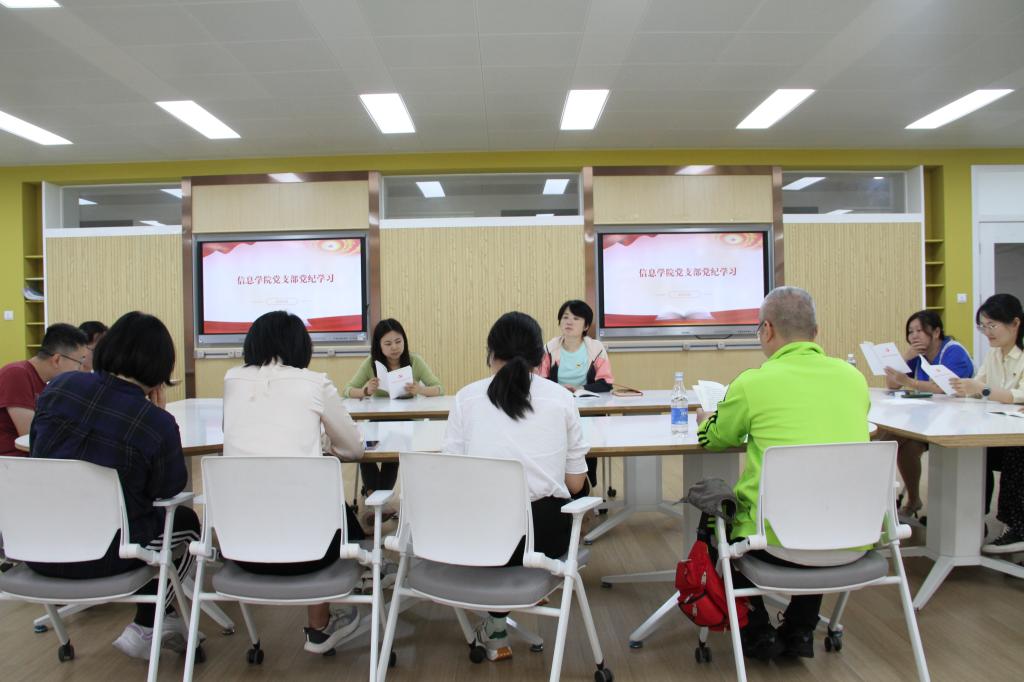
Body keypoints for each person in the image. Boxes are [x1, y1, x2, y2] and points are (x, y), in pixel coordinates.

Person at [696, 287, 870, 661]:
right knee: (821, 501)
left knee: (718, 520)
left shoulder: (753, 383)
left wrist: (706, 420)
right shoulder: (854, 379)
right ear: (816, 332)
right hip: (856, 536)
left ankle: (756, 629)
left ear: (767, 330)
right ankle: (800, 627)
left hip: (774, 542)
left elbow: (715, 439)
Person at [27, 312, 200, 661]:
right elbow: (169, 488)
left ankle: (161, 621)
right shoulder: (155, 423)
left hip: (36, 548)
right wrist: (160, 419)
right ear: (160, 369)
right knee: (185, 523)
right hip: (106, 557)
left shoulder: (59, 389)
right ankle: (148, 625)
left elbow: (37, 451)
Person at [443, 311, 589, 662]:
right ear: (540, 357)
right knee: (575, 489)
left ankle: (495, 622)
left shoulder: (466, 398)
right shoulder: (561, 399)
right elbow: (574, 483)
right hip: (542, 539)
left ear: (491, 353)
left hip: (476, 537)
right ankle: (516, 603)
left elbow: (451, 476)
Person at [223, 310, 366, 654]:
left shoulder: (231, 380)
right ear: (301, 345)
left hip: (239, 550)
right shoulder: (315, 383)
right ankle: (319, 625)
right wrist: (323, 445)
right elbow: (354, 449)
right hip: (310, 552)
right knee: (338, 514)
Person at [946, 294, 1024, 554]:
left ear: (1015, 323)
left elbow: (1015, 394)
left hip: (1016, 433)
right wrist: (964, 388)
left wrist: (982, 389)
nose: (987, 332)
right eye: (983, 326)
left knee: (1016, 452)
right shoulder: (993, 354)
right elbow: (979, 386)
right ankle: (973, 520)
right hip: (1001, 426)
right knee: (973, 452)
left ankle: (1017, 526)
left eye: (992, 325)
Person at [345, 319, 443, 516]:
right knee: (363, 447)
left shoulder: (414, 361)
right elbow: (347, 390)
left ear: (404, 341)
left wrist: (420, 389)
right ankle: (376, 496)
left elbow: (439, 388)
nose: (394, 347)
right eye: (388, 343)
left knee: (396, 443)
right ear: (379, 345)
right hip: (378, 421)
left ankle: (375, 497)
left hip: (407, 422)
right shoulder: (371, 363)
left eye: (398, 341)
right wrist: (365, 390)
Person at [882, 311, 973, 516]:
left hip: (957, 421)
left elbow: (946, 388)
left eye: (919, 331)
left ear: (936, 332)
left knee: (888, 440)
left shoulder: (953, 352)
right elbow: (891, 384)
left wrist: (911, 382)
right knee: (905, 446)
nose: (914, 336)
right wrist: (905, 357)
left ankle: (881, 498)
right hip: (929, 418)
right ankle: (913, 500)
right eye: (910, 332)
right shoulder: (918, 354)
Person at [537, 299, 614, 486]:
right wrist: (560, 390)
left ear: (586, 326)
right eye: (565, 317)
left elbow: (606, 383)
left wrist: (581, 389)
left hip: (589, 409)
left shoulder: (595, 348)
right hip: (558, 407)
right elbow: (540, 381)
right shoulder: (550, 348)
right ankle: (560, 484)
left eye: (576, 318)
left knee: (587, 443)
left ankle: (588, 485)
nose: (569, 322)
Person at [0, 323, 88, 455]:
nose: (81, 369)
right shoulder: (16, 374)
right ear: (57, 359)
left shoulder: (45, 384)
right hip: (12, 460)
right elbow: (30, 435)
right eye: (79, 362)